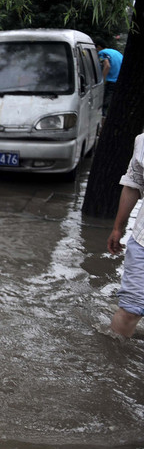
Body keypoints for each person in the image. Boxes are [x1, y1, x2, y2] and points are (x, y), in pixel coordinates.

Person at [106, 133, 144, 338]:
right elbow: (133, 184)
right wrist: (117, 228)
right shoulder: (142, 142)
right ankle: (112, 355)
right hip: (142, 240)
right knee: (130, 310)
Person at [95, 38, 124, 118]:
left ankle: (104, 119)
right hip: (120, 80)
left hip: (111, 81)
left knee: (106, 103)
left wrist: (102, 80)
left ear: (99, 47)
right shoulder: (116, 52)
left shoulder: (102, 53)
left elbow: (107, 66)